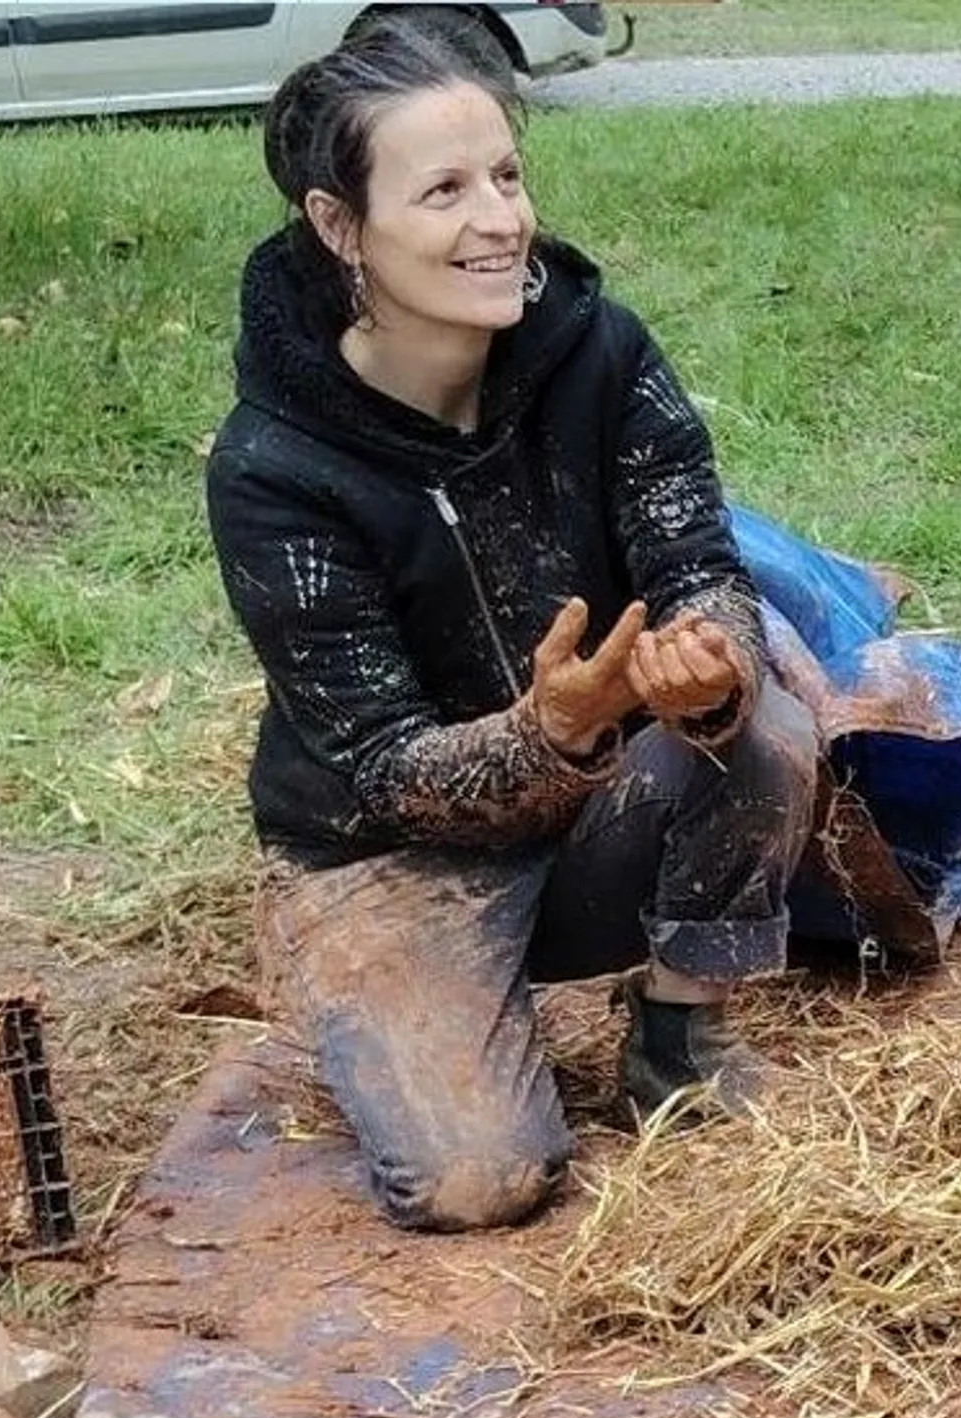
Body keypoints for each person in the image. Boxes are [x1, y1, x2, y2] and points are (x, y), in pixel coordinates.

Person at [206, 14, 818, 1234]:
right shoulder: (274, 467)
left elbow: (700, 563)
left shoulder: (599, 351)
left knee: (766, 723)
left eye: (507, 175)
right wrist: (549, 730)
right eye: (443, 191)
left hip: (597, 802)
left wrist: (707, 663)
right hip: (387, 857)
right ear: (341, 227)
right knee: (475, 1183)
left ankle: (676, 1031)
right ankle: (408, 1006)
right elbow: (378, 769)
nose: (500, 221)